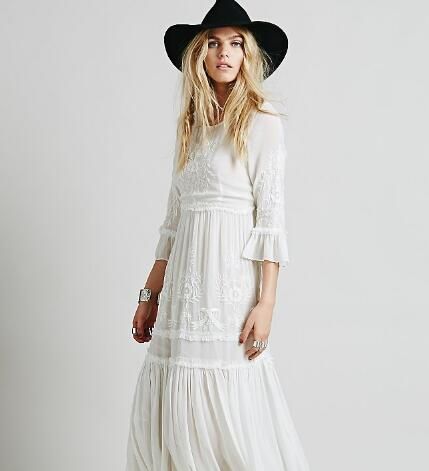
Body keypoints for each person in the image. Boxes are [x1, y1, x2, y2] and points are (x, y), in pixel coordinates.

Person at [126, 1, 310, 469]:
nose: (223, 52)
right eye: (212, 43)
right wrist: (150, 293)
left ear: (248, 54)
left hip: (228, 283)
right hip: (183, 284)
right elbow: (173, 221)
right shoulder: (191, 125)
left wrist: (267, 303)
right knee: (176, 400)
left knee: (227, 394)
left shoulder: (262, 119)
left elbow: (270, 218)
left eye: (235, 43)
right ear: (199, 55)